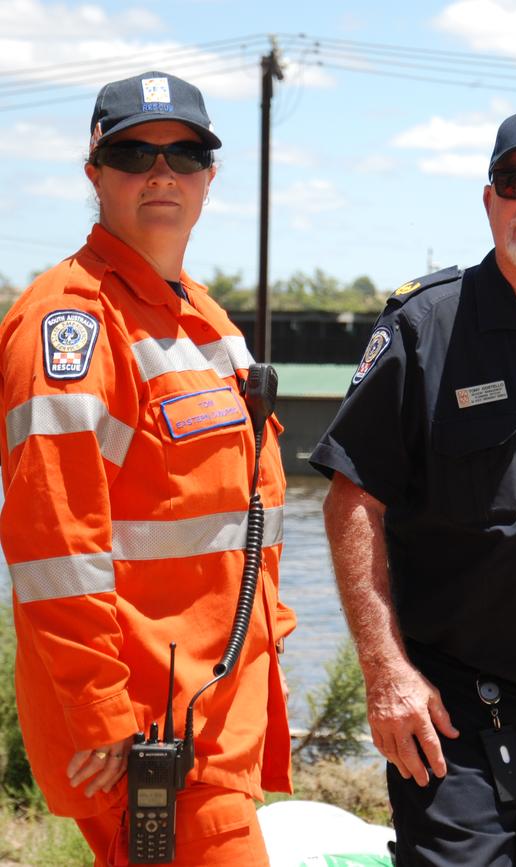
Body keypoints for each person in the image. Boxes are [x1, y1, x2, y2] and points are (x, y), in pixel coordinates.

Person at [310, 102, 516, 867]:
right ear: (489, 199)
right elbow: (353, 498)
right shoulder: (425, 328)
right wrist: (384, 670)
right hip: (458, 723)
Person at [0, 71, 295, 866]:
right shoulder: (69, 324)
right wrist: (101, 716)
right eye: (134, 152)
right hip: (151, 742)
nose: (161, 172)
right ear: (94, 173)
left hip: (216, 722)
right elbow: (54, 545)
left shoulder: (204, 318)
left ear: (209, 175)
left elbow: (244, 520)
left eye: (185, 153)